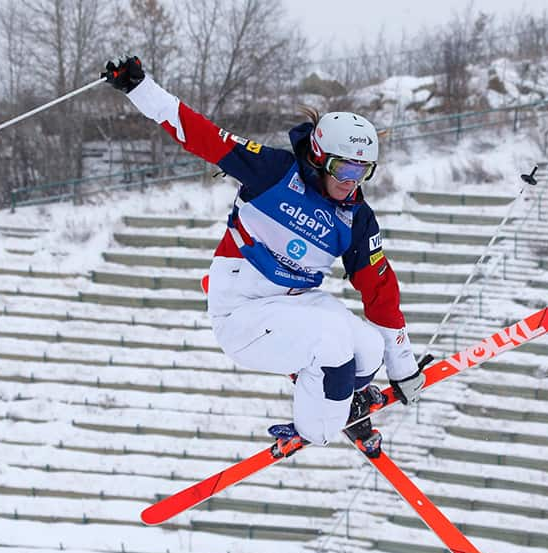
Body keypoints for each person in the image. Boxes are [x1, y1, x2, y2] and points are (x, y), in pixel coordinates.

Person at [102, 56, 426, 459]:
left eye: (362, 172)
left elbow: (380, 289)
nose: (350, 183)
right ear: (320, 157)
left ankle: (342, 400)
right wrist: (139, 87)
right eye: (343, 169)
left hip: (295, 304)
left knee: (369, 348)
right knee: (334, 346)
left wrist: (403, 367)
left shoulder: (356, 216)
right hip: (243, 307)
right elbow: (202, 135)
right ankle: (317, 426)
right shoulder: (273, 172)